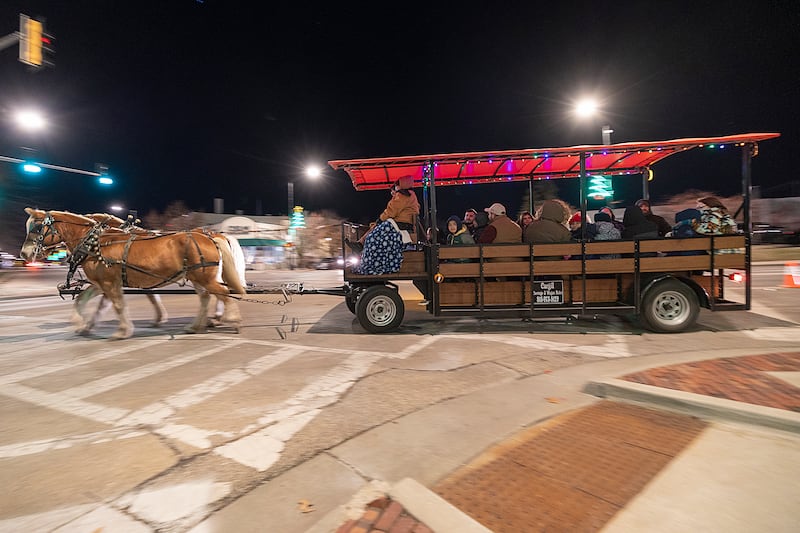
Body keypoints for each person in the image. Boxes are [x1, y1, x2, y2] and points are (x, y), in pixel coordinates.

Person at [351, 176, 420, 275]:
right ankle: (361, 245)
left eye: (397, 185)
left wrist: (381, 219)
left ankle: (369, 264)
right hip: (401, 225)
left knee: (372, 238)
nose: (395, 188)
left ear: (402, 185)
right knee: (375, 231)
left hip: (398, 225)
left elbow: (391, 211)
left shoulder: (402, 195)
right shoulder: (409, 195)